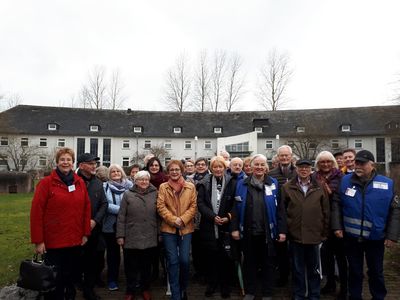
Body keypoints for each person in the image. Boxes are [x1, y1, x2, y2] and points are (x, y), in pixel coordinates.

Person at [332, 150, 400, 300]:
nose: (358, 166)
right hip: (351, 238)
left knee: (376, 271)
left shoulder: (387, 184)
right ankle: (355, 296)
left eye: (362, 163)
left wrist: (392, 235)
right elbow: (337, 204)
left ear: (372, 165)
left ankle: (378, 296)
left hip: (375, 237)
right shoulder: (345, 181)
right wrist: (337, 226)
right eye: (357, 163)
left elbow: (395, 210)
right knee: (355, 271)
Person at [30, 147, 91, 300]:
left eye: (68, 159)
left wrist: (85, 233)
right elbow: (36, 213)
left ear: (73, 162)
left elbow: (86, 209)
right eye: (62, 159)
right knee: (55, 279)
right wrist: (39, 241)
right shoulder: (46, 184)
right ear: (57, 162)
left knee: (71, 276)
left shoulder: (80, 183)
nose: (65, 162)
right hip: (53, 242)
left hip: (75, 240)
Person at [232, 154, 287, 300]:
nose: (259, 167)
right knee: (249, 263)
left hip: (268, 232)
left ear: (266, 167)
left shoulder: (273, 183)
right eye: (256, 164)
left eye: (262, 164)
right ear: (250, 166)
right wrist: (235, 228)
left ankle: (267, 292)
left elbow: (280, 209)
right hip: (248, 231)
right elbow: (235, 209)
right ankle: (250, 292)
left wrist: (282, 231)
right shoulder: (242, 184)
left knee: (268, 264)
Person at [282, 158, 330, 300]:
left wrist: (324, 233)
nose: (304, 170)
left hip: (314, 235)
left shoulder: (320, 187)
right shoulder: (287, 187)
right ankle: (299, 294)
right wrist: (287, 230)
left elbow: (326, 211)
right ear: (296, 169)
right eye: (301, 167)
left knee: (314, 269)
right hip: (295, 235)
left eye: (307, 168)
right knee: (297, 269)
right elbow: (283, 211)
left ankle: (314, 295)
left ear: (311, 170)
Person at [197, 156, 237, 298]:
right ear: (211, 168)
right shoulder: (204, 183)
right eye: (215, 167)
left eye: (220, 167)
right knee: (211, 256)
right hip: (209, 224)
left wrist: (228, 217)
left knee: (225, 257)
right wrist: (213, 216)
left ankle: (225, 285)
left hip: (226, 225)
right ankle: (212, 283)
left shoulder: (232, 182)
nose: (218, 169)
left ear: (225, 168)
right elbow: (200, 203)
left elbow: (236, 203)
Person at [157, 160, 197, 300]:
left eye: (177, 169)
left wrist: (183, 219)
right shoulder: (163, 187)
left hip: (186, 229)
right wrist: (174, 220)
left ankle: (183, 287)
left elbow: (193, 206)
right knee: (173, 261)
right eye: (172, 170)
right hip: (168, 229)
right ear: (168, 172)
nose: (174, 172)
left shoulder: (190, 187)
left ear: (182, 171)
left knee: (185, 260)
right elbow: (160, 207)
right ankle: (175, 294)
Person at [116, 170, 158, 300]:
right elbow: (121, 216)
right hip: (131, 235)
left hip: (150, 235)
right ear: (135, 181)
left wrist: (160, 234)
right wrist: (120, 236)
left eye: (146, 179)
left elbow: (160, 215)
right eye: (141, 179)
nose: (144, 182)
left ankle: (145, 289)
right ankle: (130, 290)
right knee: (131, 266)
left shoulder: (155, 193)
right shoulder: (128, 195)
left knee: (146, 266)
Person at [313, 151, 347, 299]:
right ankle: (330, 283)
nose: (325, 164)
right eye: (322, 162)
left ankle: (345, 288)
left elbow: (344, 199)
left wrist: (331, 194)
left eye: (328, 161)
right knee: (326, 256)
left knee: (341, 257)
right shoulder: (314, 177)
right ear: (318, 164)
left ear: (333, 162)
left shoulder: (342, 177)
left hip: (338, 223)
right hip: (321, 223)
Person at [76, 153, 108, 300]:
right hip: (75, 229)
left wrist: (95, 221)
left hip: (93, 229)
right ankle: (75, 285)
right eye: (90, 163)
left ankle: (89, 290)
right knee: (76, 260)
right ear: (81, 165)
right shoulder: (72, 181)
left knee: (91, 261)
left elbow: (104, 204)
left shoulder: (97, 183)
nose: (94, 166)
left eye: (95, 163)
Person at [268, 145, 297, 286]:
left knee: (296, 249)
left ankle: (296, 276)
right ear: (278, 157)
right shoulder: (272, 174)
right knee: (281, 249)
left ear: (291, 156)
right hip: (279, 216)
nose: (284, 158)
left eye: (287, 155)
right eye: (281, 155)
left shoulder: (298, 172)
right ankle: (283, 276)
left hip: (296, 216)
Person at [103, 164, 133, 291]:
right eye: (113, 171)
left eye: (118, 171)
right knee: (112, 254)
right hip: (111, 225)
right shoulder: (105, 187)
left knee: (129, 254)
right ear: (109, 174)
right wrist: (123, 210)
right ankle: (112, 279)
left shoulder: (130, 186)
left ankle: (131, 279)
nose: (115, 173)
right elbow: (106, 205)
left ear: (122, 172)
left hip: (128, 224)